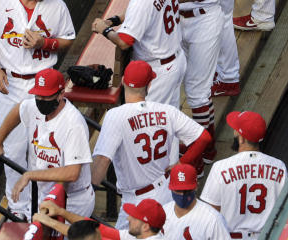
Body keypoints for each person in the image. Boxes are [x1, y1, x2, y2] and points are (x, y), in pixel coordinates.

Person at [0, 0, 76, 218]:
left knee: (46, 149)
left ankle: (46, 206)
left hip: (45, 84)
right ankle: (18, 208)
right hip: (12, 83)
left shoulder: (57, 6)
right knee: (15, 148)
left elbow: (68, 40)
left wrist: (46, 43)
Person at [92, 60, 212, 226]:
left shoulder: (115, 115)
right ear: (149, 85)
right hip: (164, 191)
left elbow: (103, 160)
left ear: (124, 81)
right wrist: (181, 163)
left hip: (137, 201)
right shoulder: (167, 111)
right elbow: (204, 137)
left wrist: (88, 192)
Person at [148, 0, 222, 146]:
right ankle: (195, 143)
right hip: (175, 22)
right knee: (175, 84)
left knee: (197, 91)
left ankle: (203, 148)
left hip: (204, 20)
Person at [0, 68, 94, 218]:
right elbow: (19, 109)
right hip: (44, 196)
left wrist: (31, 175)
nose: (40, 101)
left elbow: (72, 173)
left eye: (46, 97)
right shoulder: (34, 107)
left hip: (73, 201)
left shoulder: (74, 124)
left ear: (61, 94)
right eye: (38, 96)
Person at [91, 0, 186, 108]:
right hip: (175, 61)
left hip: (158, 73)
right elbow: (144, 11)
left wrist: (104, 30)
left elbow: (124, 42)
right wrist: (114, 21)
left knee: (152, 127)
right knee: (170, 124)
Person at [202, 111, 287, 236]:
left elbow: (210, 214)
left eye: (236, 130)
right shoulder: (279, 167)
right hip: (268, 236)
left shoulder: (220, 168)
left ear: (242, 139)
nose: (234, 132)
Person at [35, 197, 166, 239]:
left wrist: (49, 222)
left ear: (146, 226)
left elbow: (90, 237)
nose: (129, 219)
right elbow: (100, 229)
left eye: (135, 217)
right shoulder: (144, 234)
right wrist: (61, 212)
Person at [161, 164, 229, 240]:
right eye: (178, 190)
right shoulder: (162, 212)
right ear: (170, 188)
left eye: (187, 190)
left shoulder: (213, 219)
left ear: (196, 187)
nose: (182, 194)